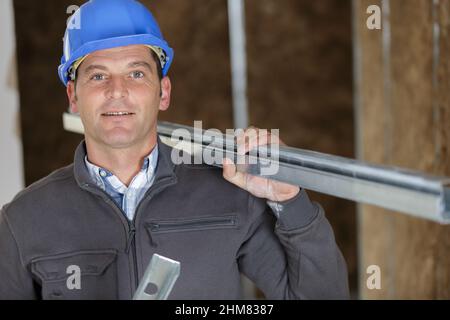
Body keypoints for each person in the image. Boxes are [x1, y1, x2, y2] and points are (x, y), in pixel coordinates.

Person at [0, 0, 349, 300]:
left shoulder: (227, 194)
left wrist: (289, 202)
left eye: (136, 74)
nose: (117, 90)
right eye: (97, 76)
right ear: (73, 97)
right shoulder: (24, 220)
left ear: (163, 92)